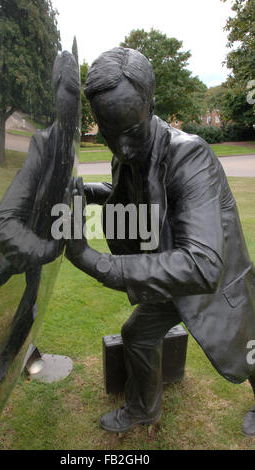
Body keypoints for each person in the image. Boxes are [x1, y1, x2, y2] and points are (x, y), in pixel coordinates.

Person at [65, 47, 255, 436]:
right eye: (109, 134)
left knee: (248, 351)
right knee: (137, 334)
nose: (121, 149)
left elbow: (203, 265)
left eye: (130, 134)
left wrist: (96, 261)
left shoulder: (191, 157)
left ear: (151, 104)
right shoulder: (126, 149)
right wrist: (91, 191)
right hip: (166, 271)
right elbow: (132, 196)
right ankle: (142, 409)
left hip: (214, 283)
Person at [0, 51, 80, 381]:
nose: (71, 106)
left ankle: (6, 357)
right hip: (30, 236)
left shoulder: (69, 148)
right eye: (67, 96)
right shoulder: (42, 143)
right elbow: (2, 222)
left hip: (44, 237)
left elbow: (62, 186)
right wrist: (44, 247)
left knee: (30, 306)